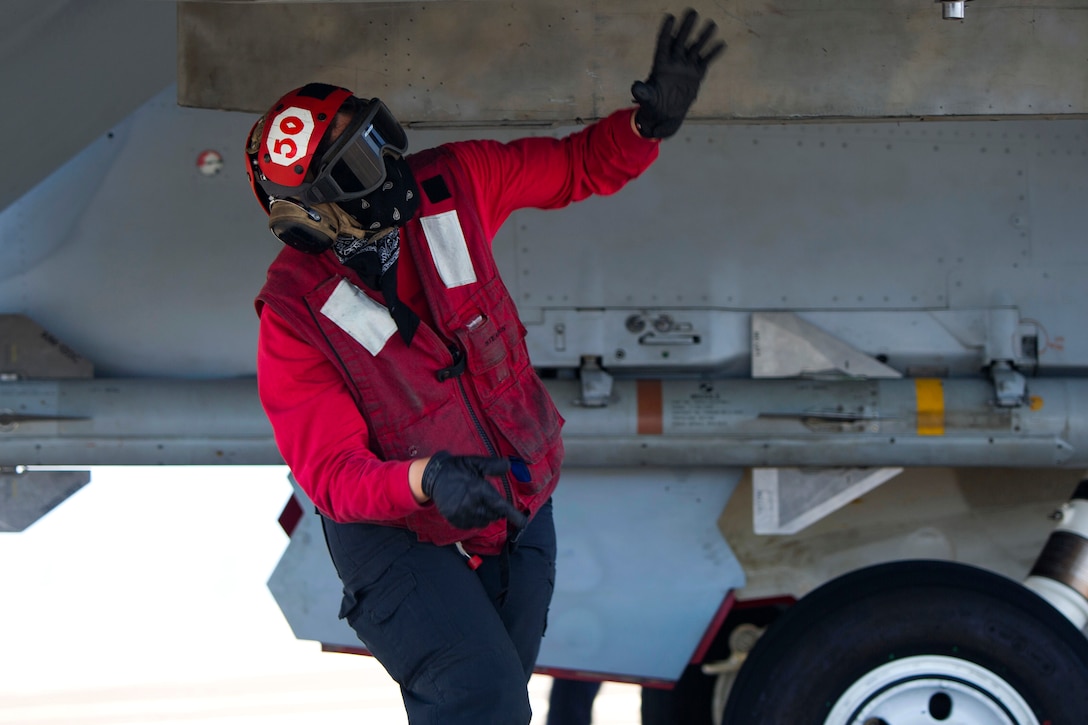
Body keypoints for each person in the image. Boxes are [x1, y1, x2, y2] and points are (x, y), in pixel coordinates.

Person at [245, 9, 723, 724]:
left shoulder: (454, 185)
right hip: (395, 534)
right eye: (362, 164)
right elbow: (336, 477)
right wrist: (429, 480)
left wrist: (645, 125)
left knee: (495, 700)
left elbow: (574, 167)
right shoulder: (293, 314)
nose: (394, 163)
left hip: (513, 501)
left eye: (381, 137)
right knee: (483, 701)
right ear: (316, 217)